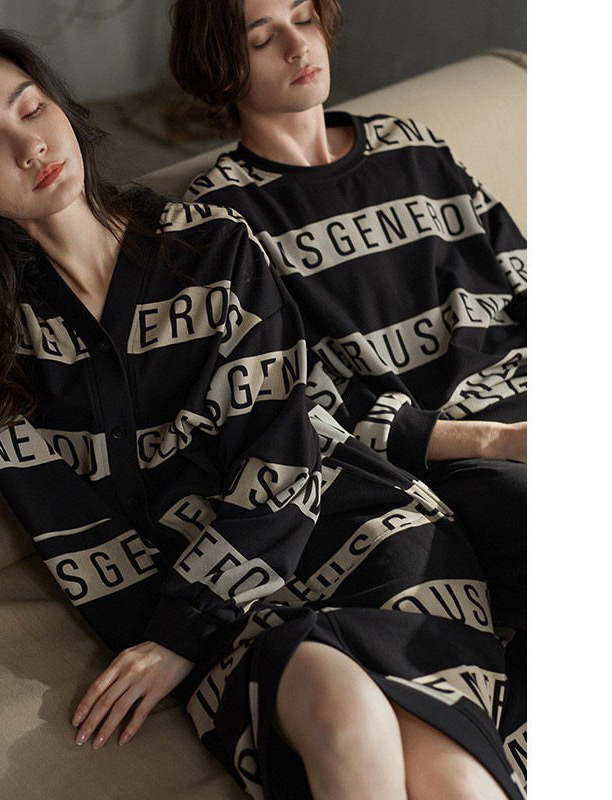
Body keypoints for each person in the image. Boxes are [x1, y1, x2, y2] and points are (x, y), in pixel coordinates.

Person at [0, 23, 525, 800]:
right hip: (215, 613)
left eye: (32, 109)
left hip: (358, 534)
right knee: (347, 716)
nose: (31, 147)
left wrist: (178, 635)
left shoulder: (212, 246)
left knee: (458, 782)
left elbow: (283, 451)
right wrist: (181, 632)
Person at [169, 0, 527, 632]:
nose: (298, 46)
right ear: (221, 70)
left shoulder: (413, 147)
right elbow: (302, 409)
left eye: (304, 19)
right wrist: (500, 441)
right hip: (454, 453)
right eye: (263, 38)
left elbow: (524, 274)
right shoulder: (221, 223)